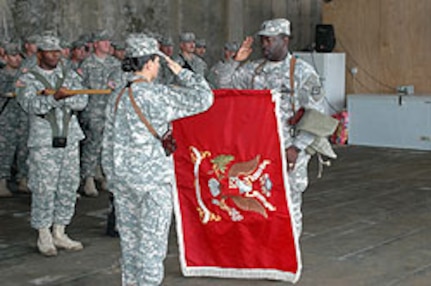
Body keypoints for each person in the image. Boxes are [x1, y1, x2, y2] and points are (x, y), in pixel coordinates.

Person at [102, 33, 213, 286]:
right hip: (152, 184)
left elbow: (106, 144)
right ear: (150, 62)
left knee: (130, 247)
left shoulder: (117, 96)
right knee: (151, 248)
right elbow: (205, 98)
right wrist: (180, 71)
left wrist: (113, 180)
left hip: (123, 182)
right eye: (159, 61)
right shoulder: (158, 96)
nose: (160, 66)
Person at [219, 18, 325, 236]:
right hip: (260, 149)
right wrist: (235, 61)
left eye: (269, 40)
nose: (264, 44)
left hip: (289, 149)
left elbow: (316, 115)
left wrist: (296, 148)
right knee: (259, 198)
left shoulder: (303, 72)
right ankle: (266, 253)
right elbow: (223, 85)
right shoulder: (255, 70)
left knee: (289, 201)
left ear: (285, 40)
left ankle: (289, 252)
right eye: (263, 40)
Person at [16, 34, 88, 256]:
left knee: (68, 185)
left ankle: (60, 230)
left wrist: (64, 98)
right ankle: (44, 234)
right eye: (50, 51)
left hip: (69, 138)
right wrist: (54, 99)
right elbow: (30, 104)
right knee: (44, 187)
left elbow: (82, 99)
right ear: (40, 54)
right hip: (44, 142)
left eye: (58, 51)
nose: (55, 55)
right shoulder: (27, 79)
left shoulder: (68, 75)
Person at [79, 29, 121, 197]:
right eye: (103, 41)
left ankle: (105, 175)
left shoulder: (114, 63)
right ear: (95, 44)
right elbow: (80, 86)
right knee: (93, 143)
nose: (107, 44)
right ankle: (88, 177)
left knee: (108, 145)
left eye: (108, 41)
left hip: (110, 110)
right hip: (93, 110)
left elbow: (120, 82)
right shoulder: (87, 64)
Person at [0, 43, 24, 197]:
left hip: (22, 118)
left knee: (23, 150)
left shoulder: (24, 75)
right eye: (12, 56)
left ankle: (23, 179)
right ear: (5, 57)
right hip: (6, 119)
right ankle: (2, 182)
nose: (16, 59)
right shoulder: (2, 75)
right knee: (4, 151)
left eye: (18, 56)